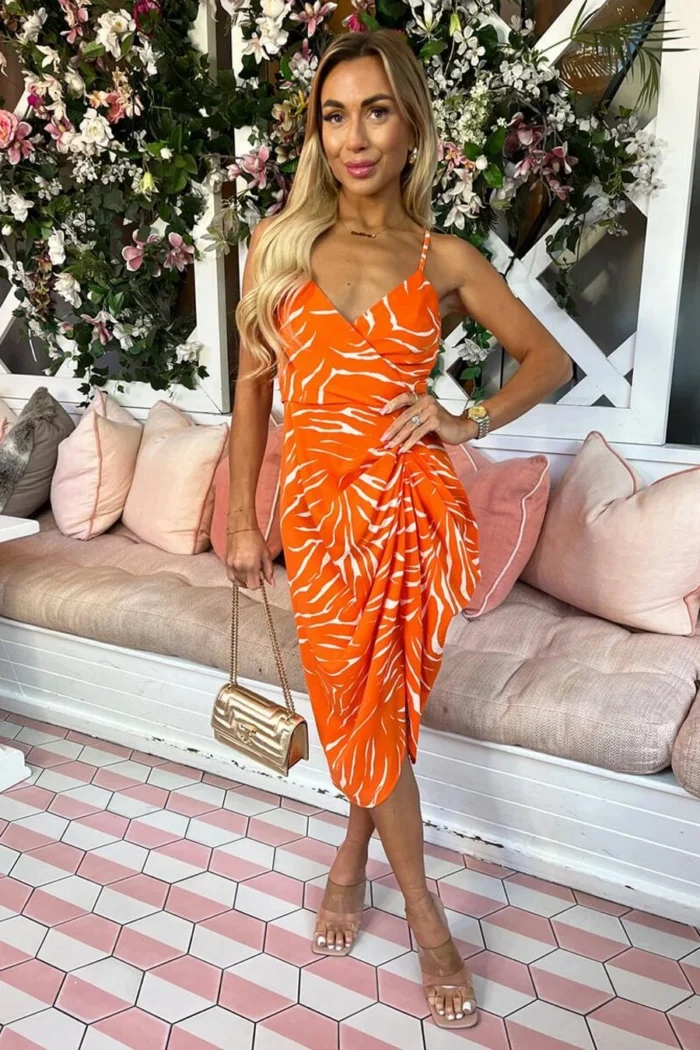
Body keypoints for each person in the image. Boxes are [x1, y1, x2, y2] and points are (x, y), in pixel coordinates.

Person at [226, 28, 571, 1031]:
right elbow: (252, 394)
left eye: (375, 111)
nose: (353, 136)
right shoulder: (278, 246)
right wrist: (244, 519)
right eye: (334, 115)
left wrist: (466, 420)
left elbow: (546, 360)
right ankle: (425, 917)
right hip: (319, 521)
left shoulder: (443, 258)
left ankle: (355, 862)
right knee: (359, 713)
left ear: (412, 126)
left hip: (412, 516)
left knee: (377, 717)